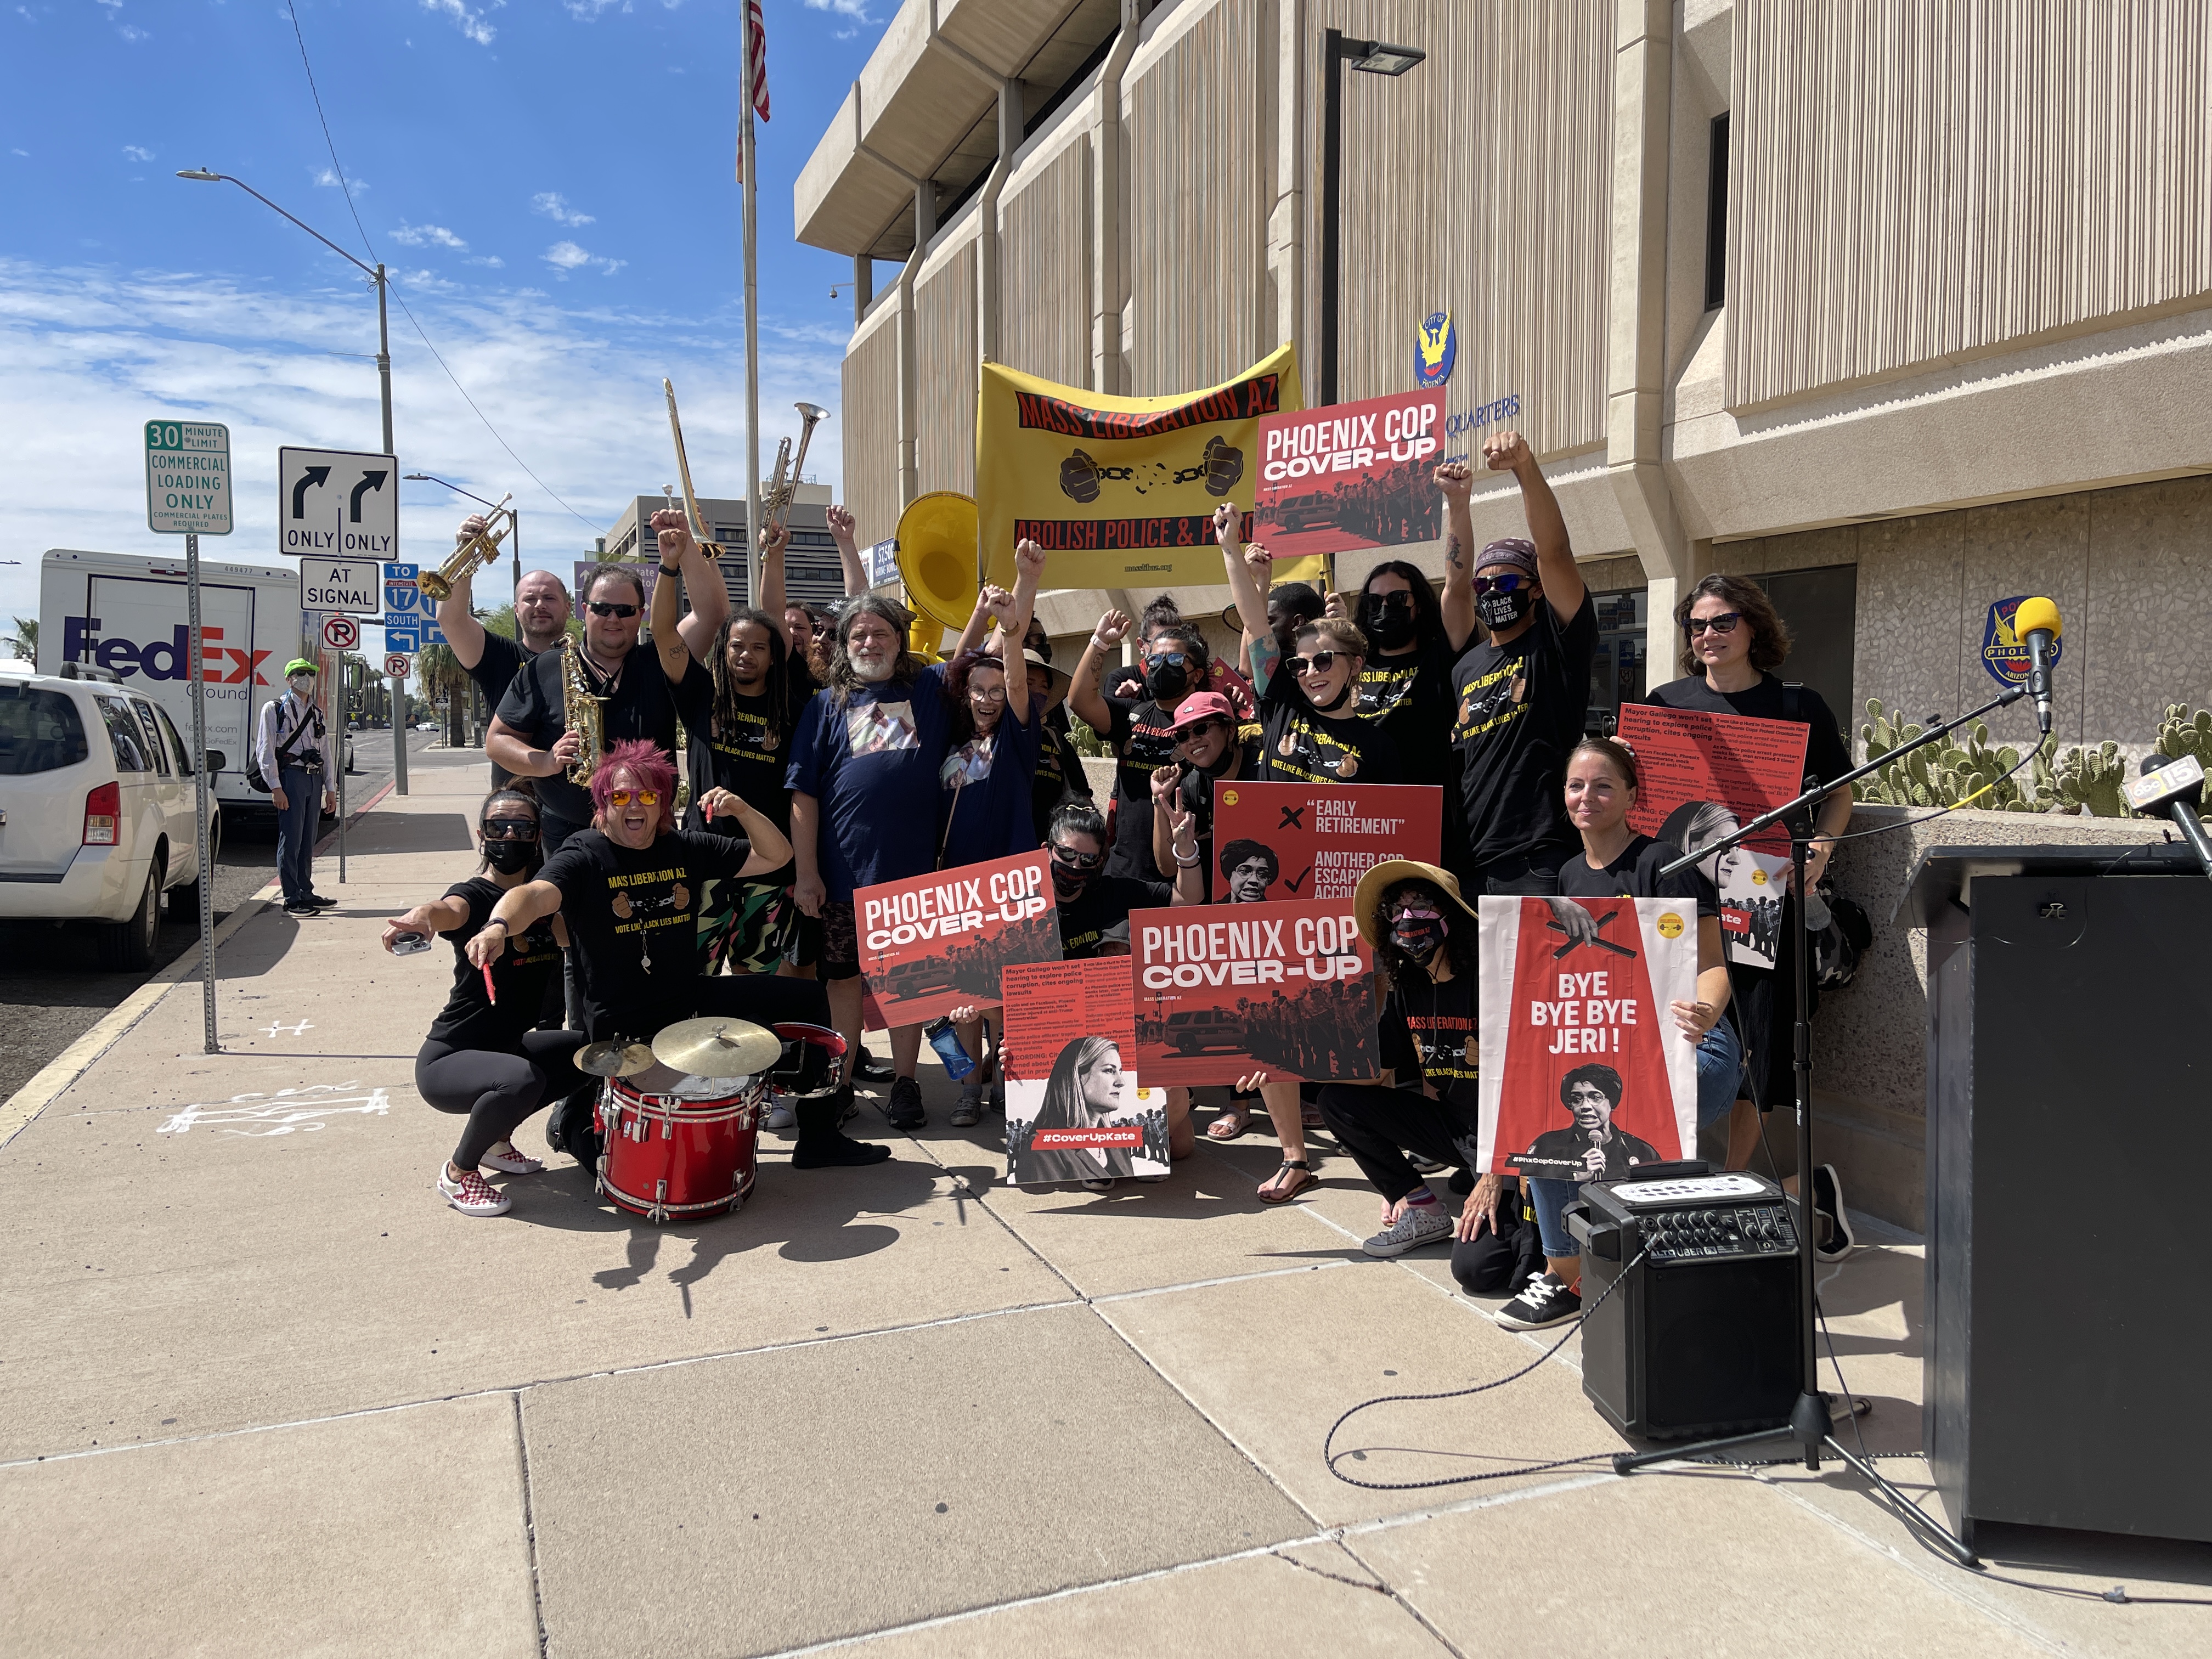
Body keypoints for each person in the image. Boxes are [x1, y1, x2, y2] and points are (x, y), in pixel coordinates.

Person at [470, 740, 888, 1170]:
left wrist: (742, 811)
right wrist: (498, 925)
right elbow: (535, 895)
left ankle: (820, 1135)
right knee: (608, 1157)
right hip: (622, 1021)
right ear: (602, 805)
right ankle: (575, 1125)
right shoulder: (584, 854)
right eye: (620, 796)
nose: (635, 805)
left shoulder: (683, 847)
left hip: (688, 1000)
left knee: (807, 1001)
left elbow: (776, 855)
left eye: (648, 796)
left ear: (663, 804)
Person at [1488, 736, 1743, 1331]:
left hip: (1688, 1043)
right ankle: (1566, 1274)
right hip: (1608, 1048)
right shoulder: (1570, 875)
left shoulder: (1662, 864)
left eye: (1604, 785)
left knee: (1620, 1121)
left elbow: (1713, 965)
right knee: (1540, 1117)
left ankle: (1619, 1264)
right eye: (1577, 786)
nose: (1588, 797)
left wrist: (1704, 1012)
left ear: (1632, 795)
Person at [1645, 572, 1857, 1258]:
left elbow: (1841, 790)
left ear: (1754, 627)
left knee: (1755, 1042)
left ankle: (1734, 1180)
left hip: (1762, 891)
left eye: (1722, 622)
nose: (1708, 636)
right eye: (1697, 626)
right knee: (1679, 1027)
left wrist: (1821, 847)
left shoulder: (1798, 704)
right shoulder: (1665, 703)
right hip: (1680, 901)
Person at [788, 593, 957, 1131]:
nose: (869, 643)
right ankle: (840, 1085)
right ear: (843, 644)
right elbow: (804, 794)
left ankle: (907, 1083)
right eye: (858, 635)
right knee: (843, 983)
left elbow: (977, 649)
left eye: (880, 633)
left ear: (899, 639)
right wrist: (807, 873)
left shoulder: (926, 690)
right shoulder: (824, 706)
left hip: (910, 875)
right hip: (841, 878)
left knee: (908, 986)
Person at [382, 783, 585, 1218]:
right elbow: (445, 910)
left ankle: (496, 1140)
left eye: (521, 827)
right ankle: (458, 1171)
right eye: (499, 826)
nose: (510, 836)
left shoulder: (540, 900)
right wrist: (422, 917)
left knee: (585, 1054)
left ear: (537, 836)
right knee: (521, 1079)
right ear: (482, 835)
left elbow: (577, 937)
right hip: (451, 1058)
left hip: (506, 1048)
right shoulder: (473, 897)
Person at [487, 509, 726, 854]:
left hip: (648, 833)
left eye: (626, 610)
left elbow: (710, 615)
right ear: (584, 610)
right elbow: (497, 741)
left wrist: (685, 545)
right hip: (567, 836)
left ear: (642, 615)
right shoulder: (545, 668)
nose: (613, 618)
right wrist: (546, 761)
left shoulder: (662, 659)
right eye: (602, 608)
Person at [1318, 859, 1501, 1263]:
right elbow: (1373, 1073)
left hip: (1504, 1141)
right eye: (1396, 911)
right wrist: (1285, 1070)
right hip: (1456, 1130)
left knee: (1478, 1267)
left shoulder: (1492, 981)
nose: (1407, 919)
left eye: (1420, 905)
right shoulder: (1409, 989)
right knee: (1336, 1101)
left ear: (1451, 914)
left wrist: (1495, 1174)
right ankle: (1421, 1206)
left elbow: (1530, 1086)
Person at [1443, 432, 1595, 894]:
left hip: (1538, 855)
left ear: (1536, 589)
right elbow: (1454, 581)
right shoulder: (1465, 667)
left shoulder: (1557, 643)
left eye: (1506, 582)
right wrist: (1458, 506)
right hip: (1469, 857)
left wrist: (1524, 468)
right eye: (1484, 587)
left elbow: (1555, 553)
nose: (1493, 593)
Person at [1217, 509, 1402, 788]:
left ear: (1354, 664)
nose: (1311, 672)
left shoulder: (1379, 748)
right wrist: (1230, 547)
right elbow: (1256, 624)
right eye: (1300, 665)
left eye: (1323, 661)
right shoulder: (1282, 702)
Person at [1069, 607, 1221, 883]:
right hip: (1125, 869)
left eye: (1175, 659)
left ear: (1197, 674)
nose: (1163, 666)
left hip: (1185, 874)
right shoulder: (1132, 713)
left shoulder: (1209, 726)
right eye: (1154, 659)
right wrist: (1100, 642)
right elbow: (1080, 700)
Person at [435, 517, 574, 786]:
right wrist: (465, 553)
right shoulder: (499, 657)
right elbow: (450, 618)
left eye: (549, 598)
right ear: (516, 609)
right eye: (529, 599)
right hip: (514, 813)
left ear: (568, 607)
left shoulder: (585, 661)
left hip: (576, 810)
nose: (539, 605)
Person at [1143, 690, 1262, 901]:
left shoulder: (1265, 770)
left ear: (1230, 730)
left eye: (1201, 728)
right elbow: (1167, 868)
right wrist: (1160, 800)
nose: (1192, 741)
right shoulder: (1191, 786)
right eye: (1182, 735)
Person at [256, 656, 338, 917]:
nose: (307, 678)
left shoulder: (317, 713)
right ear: (289, 679)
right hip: (291, 777)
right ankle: (291, 898)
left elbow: (325, 751)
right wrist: (276, 787)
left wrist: (331, 788)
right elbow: (265, 749)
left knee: (307, 840)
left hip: (313, 779)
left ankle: (306, 891)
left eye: (310, 673)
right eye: (301, 673)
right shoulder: (275, 708)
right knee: (291, 839)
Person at [1009, 1036, 1152, 1186]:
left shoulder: (1118, 1143)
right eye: (1110, 1070)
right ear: (1077, 1076)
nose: (1121, 1082)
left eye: (1120, 1072)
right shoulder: (1043, 1151)